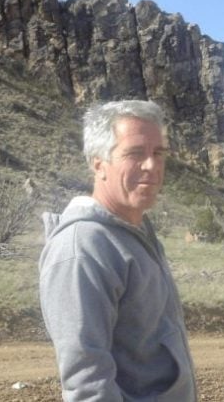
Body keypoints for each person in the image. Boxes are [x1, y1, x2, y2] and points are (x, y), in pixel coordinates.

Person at [39, 100, 197, 401]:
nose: (151, 165)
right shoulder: (83, 248)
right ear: (99, 164)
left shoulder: (135, 233)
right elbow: (87, 383)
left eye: (158, 153)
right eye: (135, 153)